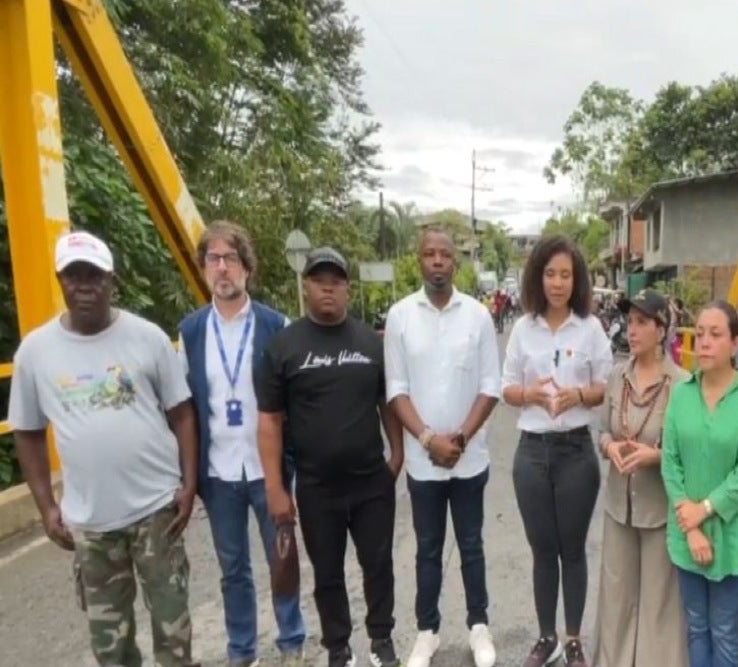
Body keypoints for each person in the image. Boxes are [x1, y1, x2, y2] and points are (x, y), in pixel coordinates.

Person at [8, 231, 200, 666]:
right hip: (91, 525)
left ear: (112, 280)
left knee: (174, 633)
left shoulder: (147, 338)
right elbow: (27, 431)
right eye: (73, 276)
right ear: (60, 282)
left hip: (156, 512)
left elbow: (183, 413)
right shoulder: (34, 354)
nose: (84, 286)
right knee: (111, 647)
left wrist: (189, 485)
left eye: (93, 276)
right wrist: (46, 507)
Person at [256, 246, 406, 667]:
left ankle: (381, 641)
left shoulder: (370, 343)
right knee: (327, 574)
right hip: (317, 487)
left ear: (347, 288)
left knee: (378, 566)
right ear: (306, 286)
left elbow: (387, 402)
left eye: (336, 280)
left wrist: (396, 456)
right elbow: (269, 421)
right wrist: (274, 487)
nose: (328, 287)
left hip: (371, 482)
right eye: (319, 279)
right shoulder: (284, 347)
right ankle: (338, 648)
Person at [178, 220, 305, 666]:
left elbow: (294, 401)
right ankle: (242, 650)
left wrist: (294, 470)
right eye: (213, 259)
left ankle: (292, 641)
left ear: (247, 268)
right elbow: (186, 409)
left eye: (231, 258)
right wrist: (188, 478)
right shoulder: (190, 331)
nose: (222, 268)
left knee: (282, 558)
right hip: (219, 472)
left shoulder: (276, 325)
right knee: (233, 569)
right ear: (203, 269)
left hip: (269, 469)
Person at [384, 228, 501, 667]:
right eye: (429, 254)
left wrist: (461, 439)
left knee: (471, 545)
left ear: (456, 262)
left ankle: (479, 627)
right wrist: (429, 440)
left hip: (470, 460)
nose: (437, 261)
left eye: (445, 254)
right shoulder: (400, 316)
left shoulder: (478, 316)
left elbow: (491, 386)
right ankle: (427, 632)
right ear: (419, 261)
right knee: (428, 548)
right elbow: (396, 389)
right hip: (422, 461)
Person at [501, 235, 614, 667]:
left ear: (577, 279)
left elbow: (606, 386)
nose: (558, 283)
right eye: (550, 273)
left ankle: (572, 640)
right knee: (543, 550)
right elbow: (506, 387)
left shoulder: (590, 329)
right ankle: (545, 636)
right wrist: (529, 393)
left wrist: (580, 396)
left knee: (573, 549)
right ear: (538, 277)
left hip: (575, 455)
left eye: (566, 274)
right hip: (531, 454)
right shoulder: (523, 328)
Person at [661, 300, 738, 667]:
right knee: (695, 626)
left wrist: (704, 511)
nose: (705, 342)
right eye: (700, 333)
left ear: (736, 343)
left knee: (724, 630)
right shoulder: (682, 392)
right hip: (685, 534)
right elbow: (670, 461)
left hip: (730, 536)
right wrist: (690, 524)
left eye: (716, 334)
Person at [592, 289, 689, 667]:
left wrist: (656, 457)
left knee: (659, 602)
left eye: (642, 322)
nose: (632, 330)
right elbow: (602, 430)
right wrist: (609, 447)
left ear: (662, 329)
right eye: (630, 322)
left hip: (660, 509)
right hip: (618, 507)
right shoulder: (618, 376)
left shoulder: (682, 385)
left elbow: (687, 456)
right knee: (616, 595)